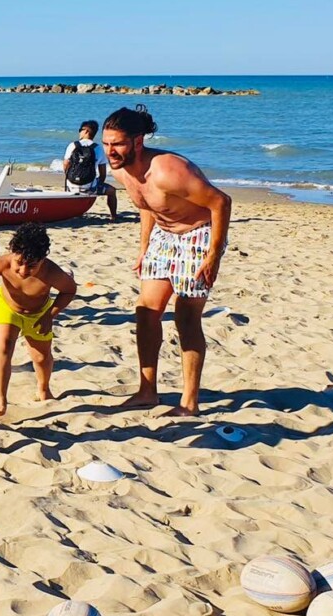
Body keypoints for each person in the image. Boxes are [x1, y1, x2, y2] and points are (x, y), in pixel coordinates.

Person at [102, 105, 232, 416]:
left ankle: (189, 403)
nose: (110, 151)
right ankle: (147, 392)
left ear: (137, 141)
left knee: (186, 319)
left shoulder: (168, 170)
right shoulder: (120, 169)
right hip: (163, 235)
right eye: (105, 144)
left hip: (198, 235)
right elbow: (145, 203)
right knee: (146, 312)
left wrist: (213, 254)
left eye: (117, 144)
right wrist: (144, 245)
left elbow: (220, 202)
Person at [0, 224, 77, 416]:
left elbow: (69, 290)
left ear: (43, 260)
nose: (24, 270)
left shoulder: (51, 271)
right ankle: (0, 400)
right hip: (7, 307)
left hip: (39, 313)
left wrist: (50, 315)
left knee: (41, 357)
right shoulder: (3, 263)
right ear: (12, 253)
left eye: (32, 265)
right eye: (19, 262)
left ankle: (43, 388)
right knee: (3, 348)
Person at [63, 120, 119, 220]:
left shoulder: (72, 145)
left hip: (71, 185)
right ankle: (114, 216)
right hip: (89, 188)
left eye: (81, 130)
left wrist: (70, 179)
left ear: (86, 131)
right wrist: (97, 183)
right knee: (112, 191)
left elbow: (66, 165)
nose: (79, 132)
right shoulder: (98, 148)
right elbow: (103, 174)